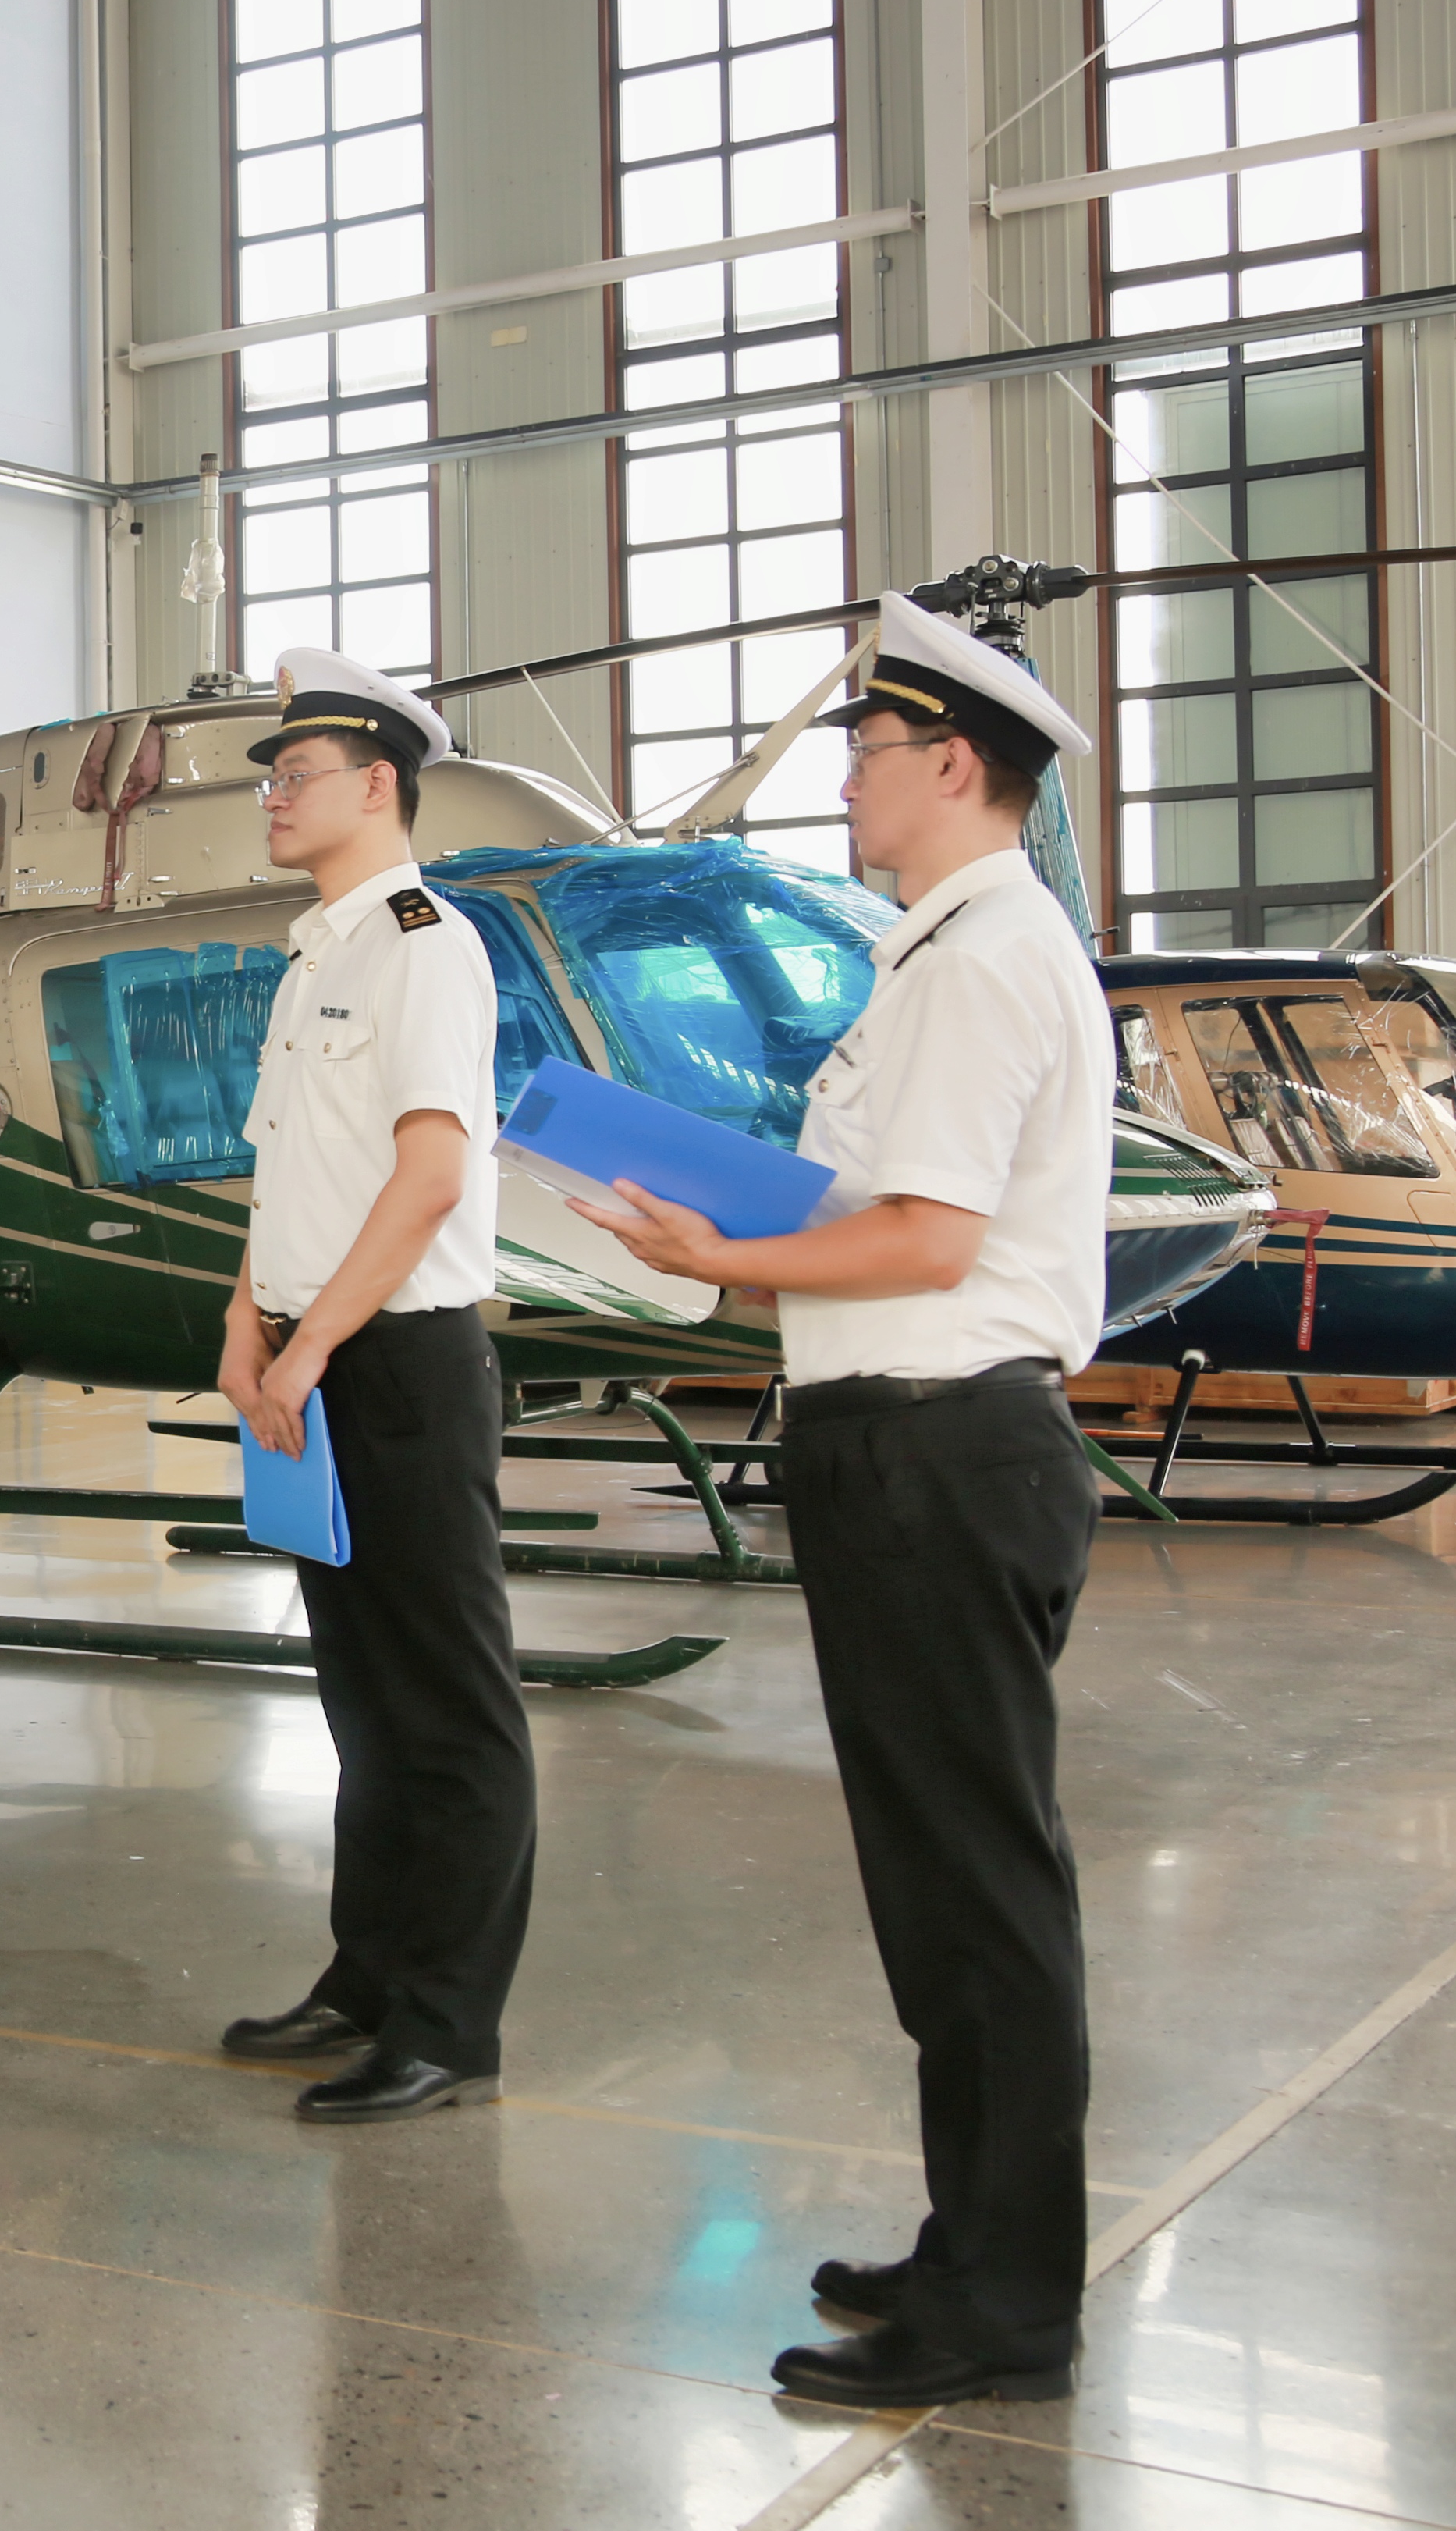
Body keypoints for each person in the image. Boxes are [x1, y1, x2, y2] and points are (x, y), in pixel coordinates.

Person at [568, 595, 1112, 2408]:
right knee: (938, 1883)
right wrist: (727, 1237)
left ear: (952, 762)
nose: (849, 783)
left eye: (868, 751)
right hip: (908, 1440)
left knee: (978, 1888)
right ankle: (971, 2242)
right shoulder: (942, 950)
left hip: (941, 1444)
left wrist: (718, 1254)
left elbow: (928, 1238)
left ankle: (1011, 2304)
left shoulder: (977, 960)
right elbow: (882, 1218)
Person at [211, 646, 534, 2126]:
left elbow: (428, 1176)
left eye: (296, 774)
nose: (273, 796)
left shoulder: (423, 945)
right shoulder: (315, 954)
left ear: (377, 786)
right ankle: (368, 1976)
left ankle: (448, 2022)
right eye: (272, 777)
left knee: (445, 1702)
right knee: (362, 1696)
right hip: (309, 1349)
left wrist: (310, 1343)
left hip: (393, 1356)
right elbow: (289, 1173)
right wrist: (245, 1320)